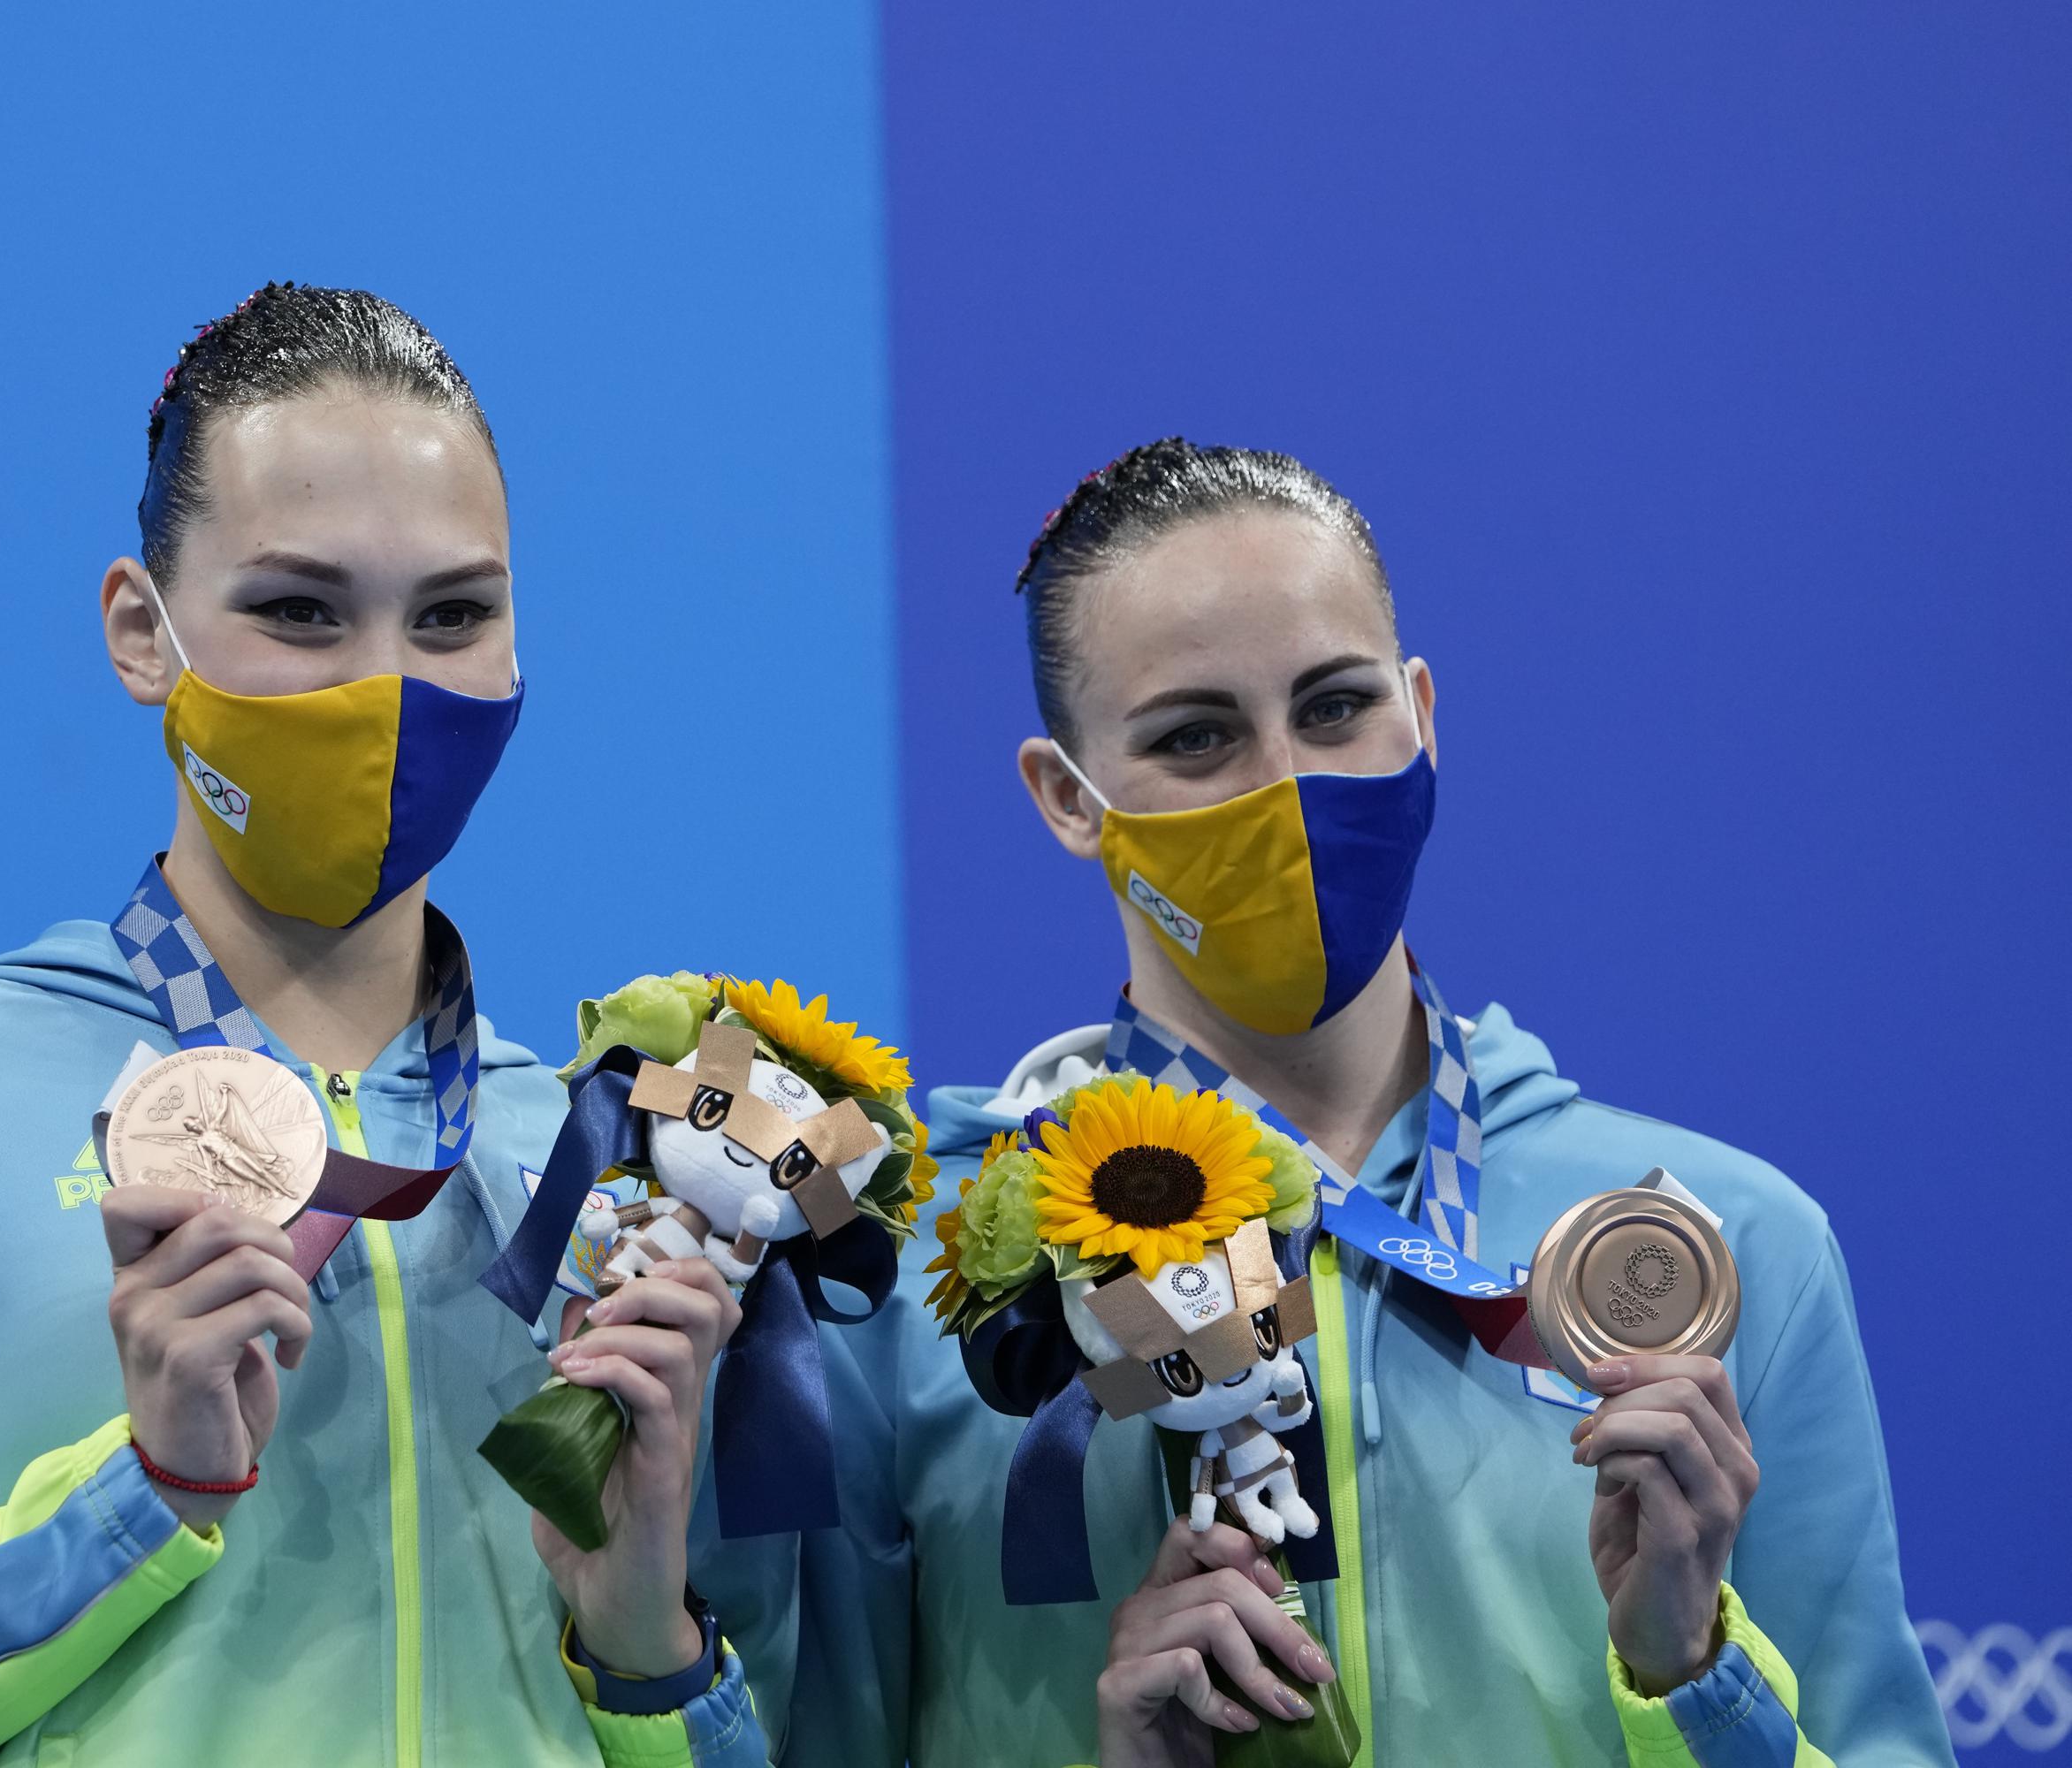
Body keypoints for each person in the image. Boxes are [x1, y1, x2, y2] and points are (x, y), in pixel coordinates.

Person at [0, 284, 772, 1767]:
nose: (387, 686)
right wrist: (135, 1500)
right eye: (300, 611)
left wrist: (646, 1648)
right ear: (144, 633)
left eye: (453, 614)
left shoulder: (610, 1167)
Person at [792, 440, 1954, 1766]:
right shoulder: (907, 1278)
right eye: (1196, 736)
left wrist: (1694, 1676)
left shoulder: (1728, 1245)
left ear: (1422, 715)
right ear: (1070, 798)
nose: (1286, 782)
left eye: (1336, 708)